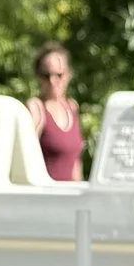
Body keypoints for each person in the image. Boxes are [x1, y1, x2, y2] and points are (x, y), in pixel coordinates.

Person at [27, 43, 85, 181]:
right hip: (44, 192)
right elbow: (24, 157)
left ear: (68, 75)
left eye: (59, 75)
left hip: (71, 193)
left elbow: (76, 162)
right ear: (38, 77)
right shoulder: (36, 108)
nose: (53, 81)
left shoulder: (72, 107)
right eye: (46, 75)